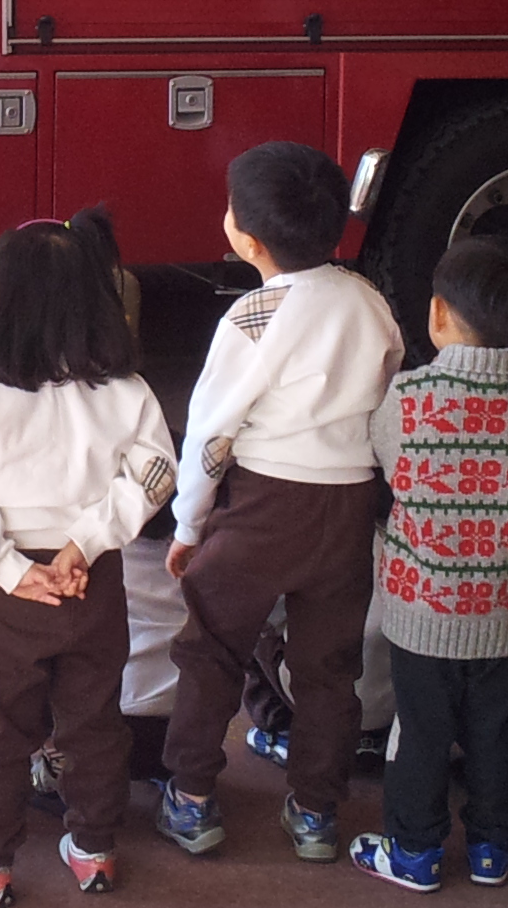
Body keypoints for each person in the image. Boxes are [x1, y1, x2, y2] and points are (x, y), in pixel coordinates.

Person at [0, 211, 177, 908]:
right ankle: (94, 848)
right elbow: (157, 475)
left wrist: (10, 568)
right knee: (94, 718)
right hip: (92, 579)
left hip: (6, 590)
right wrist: (85, 543)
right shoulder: (126, 391)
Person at [157, 142, 403, 863]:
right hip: (347, 506)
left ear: (248, 239)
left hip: (263, 508)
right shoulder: (369, 301)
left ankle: (192, 797)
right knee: (329, 667)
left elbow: (211, 434)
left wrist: (188, 523)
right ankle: (316, 813)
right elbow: (387, 396)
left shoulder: (252, 317)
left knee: (211, 647)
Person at [348, 218, 508, 894]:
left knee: (421, 734)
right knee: (497, 732)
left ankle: (414, 852)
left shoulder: (409, 398)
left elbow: (390, 470)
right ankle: (495, 848)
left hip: (421, 610)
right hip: (507, 610)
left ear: (438, 313)